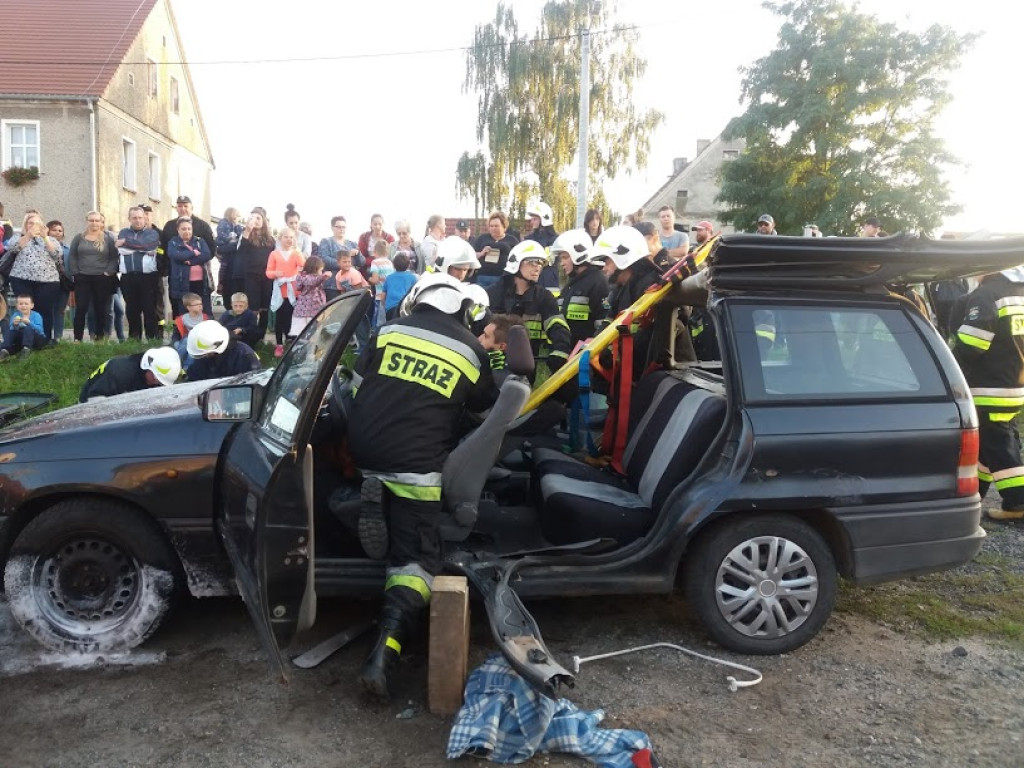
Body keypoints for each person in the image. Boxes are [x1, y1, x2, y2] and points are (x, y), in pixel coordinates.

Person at [346, 272, 498, 701]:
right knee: (415, 565)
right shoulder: (470, 349)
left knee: (382, 473)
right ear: (464, 310)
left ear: (416, 301)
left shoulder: (387, 331)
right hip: (417, 468)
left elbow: (356, 389)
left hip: (365, 452)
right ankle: (385, 649)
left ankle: (372, 493)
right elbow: (483, 414)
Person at [952, 267, 1024, 521]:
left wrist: (949, 363)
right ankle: (976, 493)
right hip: (1014, 382)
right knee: (990, 442)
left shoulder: (986, 294)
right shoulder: (1018, 293)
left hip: (989, 386)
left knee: (999, 445)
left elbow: (973, 342)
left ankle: (1018, 502)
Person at [596, 225, 708, 378]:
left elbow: (655, 334)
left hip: (668, 379)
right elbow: (609, 322)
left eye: (607, 262)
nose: (604, 269)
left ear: (622, 257)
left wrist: (617, 353)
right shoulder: (622, 289)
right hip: (639, 375)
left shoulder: (653, 288)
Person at [485, 239, 571, 373]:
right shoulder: (493, 294)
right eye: (532, 262)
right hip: (492, 365)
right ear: (516, 263)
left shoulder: (544, 297)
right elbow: (479, 330)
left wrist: (560, 350)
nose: (537, 267)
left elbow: (557, 326)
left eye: (541, 263)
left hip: (525, 368)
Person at [5, 211, 64, 342]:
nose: (33, 225)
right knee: (24, 310)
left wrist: (45, 237)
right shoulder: (18, 237)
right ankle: (22, 340)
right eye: (30, 223)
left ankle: (44, 340)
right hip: (22, 279)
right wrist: (28, 235)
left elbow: (57, 255)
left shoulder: (51, 239)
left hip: (47, 282)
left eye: (36, 223)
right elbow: (13, 248)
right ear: (25, 225)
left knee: (45, 311)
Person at [219, 207, 275, 343]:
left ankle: (261, 337)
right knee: (253, 309)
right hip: (251, 277)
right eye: (252, 217)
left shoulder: (271, 239)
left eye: (258, 218)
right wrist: (248, 230)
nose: (255, 220)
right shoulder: (246, 236)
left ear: (264, 221)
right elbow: (240, 250)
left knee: (265, 308)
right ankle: (251, 336)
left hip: (267, 277)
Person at [70, 211, 119, 343]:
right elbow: (72, 256)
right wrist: (76, 273)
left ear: (101, 222)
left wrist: (108, 272)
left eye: (97, 220)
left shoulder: (108, 239)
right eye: (91, 220)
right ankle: (77, 338)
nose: (94, 223)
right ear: (87, 221)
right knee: (81, 309)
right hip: (82, 278)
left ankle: (99, 338)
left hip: (102, 278)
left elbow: (114, 257)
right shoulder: (78, 238)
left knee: (101, 309)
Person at [116, 205, 162, 340]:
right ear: (129, 219)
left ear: (145, 218)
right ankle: (134, 339)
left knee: (149, 309)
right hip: (128, 277)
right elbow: (124, 249)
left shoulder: (152, 233)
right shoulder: (123, 232)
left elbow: (147, 245)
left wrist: (127, 244)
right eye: (134, 218)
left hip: (148, 277)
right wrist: (138, 247)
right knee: (131, 310)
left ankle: (151, 338)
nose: (138, 220)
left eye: (140, 218)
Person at [79, 346, 181, 402]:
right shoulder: (122, 372)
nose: (156, 384)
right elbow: (93, 400)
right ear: (147, 367)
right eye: (156, 380)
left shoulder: (153, 375)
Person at [266, 227, 306, 356]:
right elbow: (268, 272)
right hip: (280, 290)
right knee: (280, 319)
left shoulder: (295, 253)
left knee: (292, 318)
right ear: (280, 238)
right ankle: (279, 344)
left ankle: (291, 341)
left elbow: (303, 265)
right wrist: (275, 273)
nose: (289, 239)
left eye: (291, 237)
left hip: (293, 291)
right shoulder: (274, 254)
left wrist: (298, 251)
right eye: (286, 237)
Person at [184, 319, 261, 382]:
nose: (205, 356)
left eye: (208, 354)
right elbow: (194, 377)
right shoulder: (204, 353)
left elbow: (253, 382)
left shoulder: (244, 355)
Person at [167, 217, 213, 317]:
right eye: (183, 229)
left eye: (189, 229)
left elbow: (206, 255)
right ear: (178, 230)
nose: (187, 231)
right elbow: (175, 255)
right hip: (182, 283)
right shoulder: (173, 243)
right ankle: (185, 333)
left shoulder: (199, 241)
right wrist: (193, 252)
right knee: (185, 312)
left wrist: (190, 262)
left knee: (205, 312)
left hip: (201, 283)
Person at [333, 250, 372, 349]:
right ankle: (355, 343)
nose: (347, 264)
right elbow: (342, 291)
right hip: (351, 298)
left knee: (361, 323)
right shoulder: (338, 275)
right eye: (344, 262)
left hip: (362, 298)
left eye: (349, 262)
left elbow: (359, 291)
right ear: (338, 263)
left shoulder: (353, 273)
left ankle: (364, 345)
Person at [472, 211, 519, 288]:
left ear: (504, 227)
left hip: (503, 278)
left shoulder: (512, 240)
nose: (493, 228)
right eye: (491, 226)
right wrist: (481, 253)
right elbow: (472, 256)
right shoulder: (482, 238)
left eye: (496, 226)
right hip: (483, 278)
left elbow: (518, 258)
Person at [318, 216, 360, 302]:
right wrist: (345, 263)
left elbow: (361, 262)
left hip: (351, 285)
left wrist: (357, 253)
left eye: (343, 227)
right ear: (332, 228)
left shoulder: (352, 243)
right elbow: (324, 259)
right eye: (338, 227)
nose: (341, 229)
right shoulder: (326, 242)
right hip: (332, 285)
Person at [161, 195, 216, 259]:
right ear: (176, 208)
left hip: (196, 266)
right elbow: (163, 248)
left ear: (191, 208)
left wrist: (196, 262)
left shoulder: (203, 226)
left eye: (185, 206)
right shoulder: (169, 226)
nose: (183, 209)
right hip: (173, 267)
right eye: (180, 206)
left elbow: (211, 248)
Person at [291, 255, 333, 337]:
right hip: (306, 313)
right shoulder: (305, 278)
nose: (321, 272)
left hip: (314, 310)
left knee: (313, 334)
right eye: (321, 270)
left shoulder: (309, 277)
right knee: (305, 334)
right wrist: (324, 276)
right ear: (315, 269)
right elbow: (312, 282)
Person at [0, 294, 46, 360]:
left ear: (31, 305)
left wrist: (29, 323)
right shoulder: (15, 315)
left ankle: (26, 350)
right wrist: (14, 325)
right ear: (17, 306)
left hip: (37, 339)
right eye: (21, 304)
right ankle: (4, 350)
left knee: (27, 328)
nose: (23, 306)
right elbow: (12, 331)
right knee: (10, 331)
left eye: (26, 304)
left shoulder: (36, 315)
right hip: (22, 340)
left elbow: (40, 330)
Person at [47, 220, 71, 341]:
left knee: (59, 311)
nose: (57, 232)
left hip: (62, 284)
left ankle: (58, 338)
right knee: (46, 310)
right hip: (46, 283)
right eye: (54, 230)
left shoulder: (68, 249)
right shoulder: (42, 246)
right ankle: (45, 337)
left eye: (60, 230)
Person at [170, 292, 208, 365]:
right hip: (185, 343)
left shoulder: (206, 318)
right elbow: (176, 334)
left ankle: (179, 365)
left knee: (191, 348)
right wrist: (176, 342)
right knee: (187, 341)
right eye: (197, 305)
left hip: (201, 342)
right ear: (189, 307)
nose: (200, 307)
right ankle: (179, 364)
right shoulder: (182, 319)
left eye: (201, 304)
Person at [381, 251, 417, 320]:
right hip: (404, 307)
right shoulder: (412, 277)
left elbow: (383, 296)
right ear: (408, 265)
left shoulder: (389, 278)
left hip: (390, 308)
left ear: (393, 265)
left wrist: (385, 305)